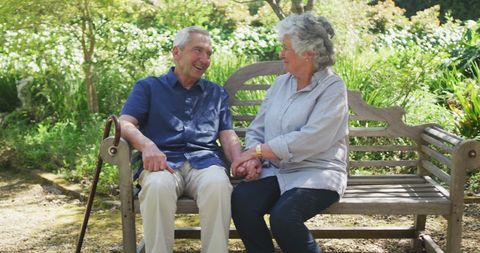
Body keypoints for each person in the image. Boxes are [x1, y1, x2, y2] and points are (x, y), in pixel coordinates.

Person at [230, 13, 349, 253]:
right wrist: (254, 157)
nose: (281, 53)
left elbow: (311, 139)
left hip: (318, 171)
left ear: (308, 53)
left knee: (284, 217)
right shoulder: (280, 84)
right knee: (242, 200)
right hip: (278, 169)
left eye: (286, 48)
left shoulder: (333, 88)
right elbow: (258, 127)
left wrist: (260, 150)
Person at [119, 26, 242, 253]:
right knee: (156, 186)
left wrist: (239, 161)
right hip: (162, 162)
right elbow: (124, 123)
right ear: (177, 52)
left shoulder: (216, 93)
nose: (204, 59)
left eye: (209, 53)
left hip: (205, 163)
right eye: (198, 51)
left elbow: (227, 135)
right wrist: (147, 145)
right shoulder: (148, 87)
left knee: (218, 184)